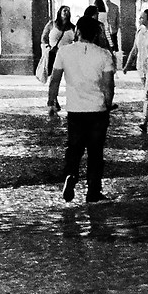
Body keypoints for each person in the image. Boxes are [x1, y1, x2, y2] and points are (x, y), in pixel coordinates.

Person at [56, 14, 117, 202]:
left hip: (75, 109)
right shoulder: (104, 55)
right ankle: (93, 191)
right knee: (95, 152)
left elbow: (55, 79)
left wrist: (52, 102)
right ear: (96, 34)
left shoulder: (64, 52)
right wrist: (108, 103)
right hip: (97, 110)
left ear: (78, 31)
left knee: (74, 147)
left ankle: (71, 174)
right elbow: (109, 85)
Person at [39, 4, 75, 116]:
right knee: (55, 80)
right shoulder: (51, 24)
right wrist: (47, 48)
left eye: (68, 11)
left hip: (69, 56)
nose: (66, 13)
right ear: (59, 12)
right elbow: (44, 38)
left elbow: (77, 39)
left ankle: (72, 101)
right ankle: (52, 101)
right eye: (64, 10)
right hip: (55, 55)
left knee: (71, 80)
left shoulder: (73, 27)